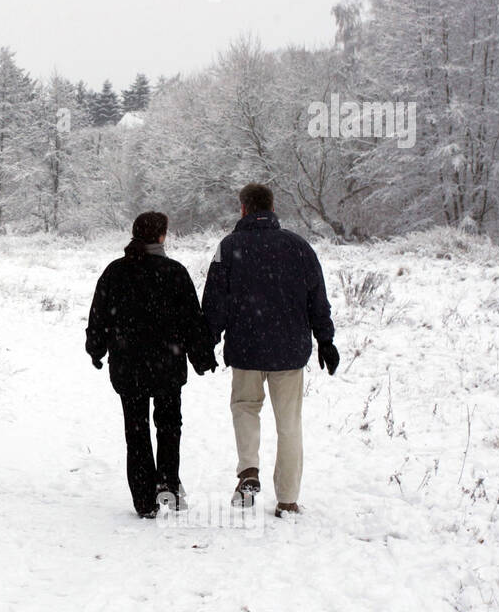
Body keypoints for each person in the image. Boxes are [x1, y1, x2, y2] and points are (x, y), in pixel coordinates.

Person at [201, 183, 339, 517]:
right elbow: (316, 299)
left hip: (246, 347)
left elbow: (214, 302)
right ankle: (288, 500)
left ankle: (249, 470)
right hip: (289, 351)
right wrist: (326, 340)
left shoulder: (228, 247)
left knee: (245, 407)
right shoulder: (300, 247)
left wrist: (207, 340)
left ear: (244, 209)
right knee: (289, 424)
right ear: (272, 207)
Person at [86, 211, 217, 519]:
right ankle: (168, 488)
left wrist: (96, 348)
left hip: (127, 366)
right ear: (161, 236)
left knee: (137, 431)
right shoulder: (174, 272)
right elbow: (192, 322)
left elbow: (99, 315)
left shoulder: (116, 272)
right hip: (167, 367)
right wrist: (202, 357)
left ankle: (144, 500)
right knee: (169, 427)